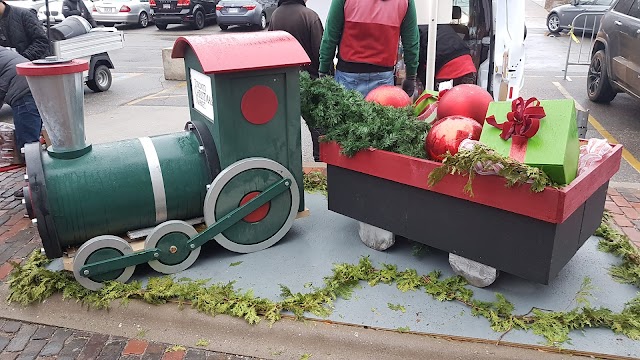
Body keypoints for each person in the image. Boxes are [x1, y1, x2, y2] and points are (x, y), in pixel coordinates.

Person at [318, 0, 419, 98]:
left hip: (348, 75)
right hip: (383, 79)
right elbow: (411, 42)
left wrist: (324, 70)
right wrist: (411, 76)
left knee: (345, 114)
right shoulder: (406, 1)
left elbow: (330, 36)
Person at [269, 0, 325, 162]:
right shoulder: (310, 16)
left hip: (283, 82)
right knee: (316, 125)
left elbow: (270, 50)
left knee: (286, 127)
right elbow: (320, 52)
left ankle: (286, 162)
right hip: (310, 81)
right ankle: (320, 158)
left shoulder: (275, 16)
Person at [0, 47, 43, 198]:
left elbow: (1, 87)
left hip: (24, 94)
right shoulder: (3, 52)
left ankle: (35, 191)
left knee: (28, 146)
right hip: (34, 85)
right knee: (34, 141)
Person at [417, 24, 477, 91]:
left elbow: (416, 59)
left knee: (437, 95)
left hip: (447, 63)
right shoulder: (439, 22)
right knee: (465, 93)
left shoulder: (414, 31)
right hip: (466, 60)